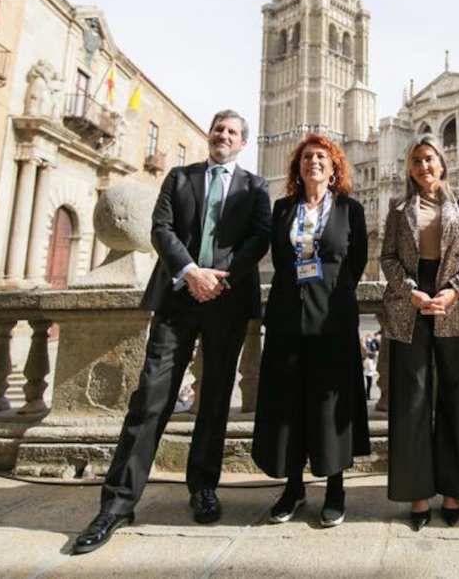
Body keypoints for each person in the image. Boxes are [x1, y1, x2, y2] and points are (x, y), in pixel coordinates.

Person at [73, 110, 271, 554]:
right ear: (211, 136)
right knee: (150, 397)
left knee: (216, 397)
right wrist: (190, 272)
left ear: (243, 143)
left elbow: (260, 238)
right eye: (219, 129)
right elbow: (160, 229)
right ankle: (118, 504)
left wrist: (218, 276)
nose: (224, 136)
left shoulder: (256, 187)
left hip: (227, 298)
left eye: (233, 132)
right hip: (177, 296)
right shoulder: (180, 178)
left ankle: (203, 487)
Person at [253, 134, 370, 528]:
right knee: (289, 403)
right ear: (297, 167)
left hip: (333, 320)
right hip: (287, 318)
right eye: (306, 158)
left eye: (321, 157)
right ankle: (293, 487)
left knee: (329, 405)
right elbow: (281, 259)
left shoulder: (350, 209)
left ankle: (335, 488)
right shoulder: (283, 208)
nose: (313, 163)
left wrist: (327, 295)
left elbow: (355, 262)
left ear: (334, 167)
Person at [380, 134, 459, 531]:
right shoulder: (397, 207)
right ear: (410, 168)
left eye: (430, 159)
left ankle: (454, 491)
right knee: (412, 400)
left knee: (457, 397)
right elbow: (387, 257)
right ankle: (418, 495)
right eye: (417, 161)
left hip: (453, 300)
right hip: (412, 302)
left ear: (443, 163)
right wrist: (412, 292)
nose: (424, 166)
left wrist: (453, 291)